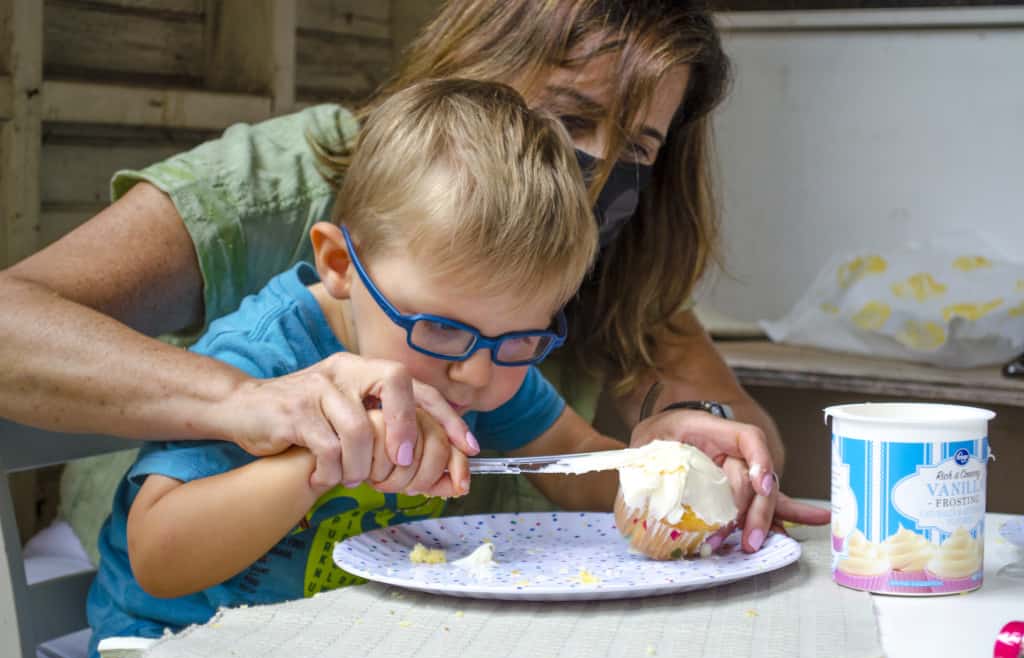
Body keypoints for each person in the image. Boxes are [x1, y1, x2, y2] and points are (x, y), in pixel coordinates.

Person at [0, 0, 828, 559]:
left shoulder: (605, 235)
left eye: (635, 149)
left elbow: (710, 430)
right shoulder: (287, 181)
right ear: (474, 67)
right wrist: (253, 406)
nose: (595, 168)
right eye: (569, 118)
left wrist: (695, 444)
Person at [86, 78, 626, 658]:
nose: (474, 373)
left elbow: (577, 461)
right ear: (341, 265)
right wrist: (321, 460)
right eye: (442, 327)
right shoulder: (265, 359)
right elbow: (159, 558)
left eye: (523, 337)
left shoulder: (478, 358)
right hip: (170, 652)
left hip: (341, 650)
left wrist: (675, 473)